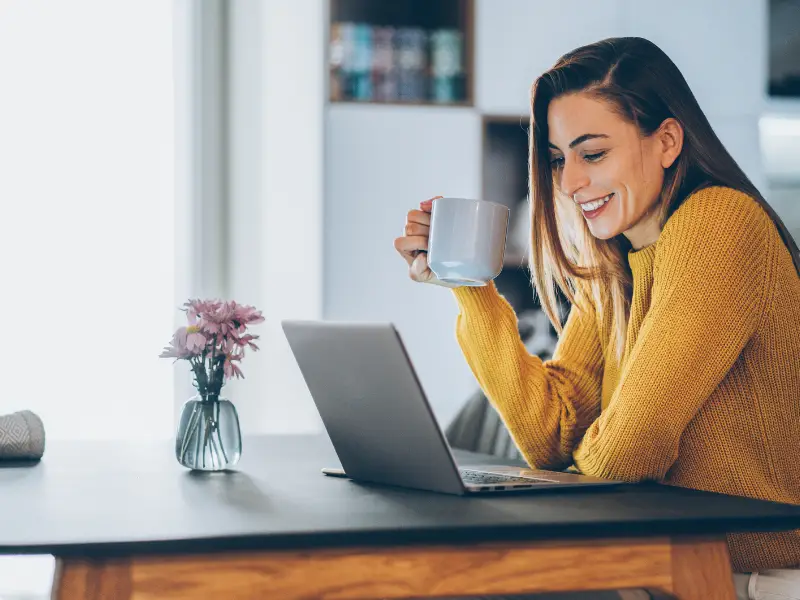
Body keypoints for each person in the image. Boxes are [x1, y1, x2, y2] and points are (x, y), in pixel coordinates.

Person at [394, 37, 800, 600]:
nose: (568, 184)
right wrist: (469, 286)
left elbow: (626, 453)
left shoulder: (720, 223)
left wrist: (575, 472)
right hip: (663, 557)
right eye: (560, 159)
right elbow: (551, 434)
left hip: (747, 577)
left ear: (666, 141)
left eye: (593, 154)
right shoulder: (615, 263)